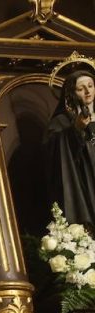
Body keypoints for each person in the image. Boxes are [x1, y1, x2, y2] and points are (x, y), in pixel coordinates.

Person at [46, 64, 95, 226]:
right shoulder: (62, 121)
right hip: (85, 179)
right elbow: (56, 151)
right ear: (71, 93)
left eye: (90, 86)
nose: (88, 92)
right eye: (81, 89)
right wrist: (76, 129)